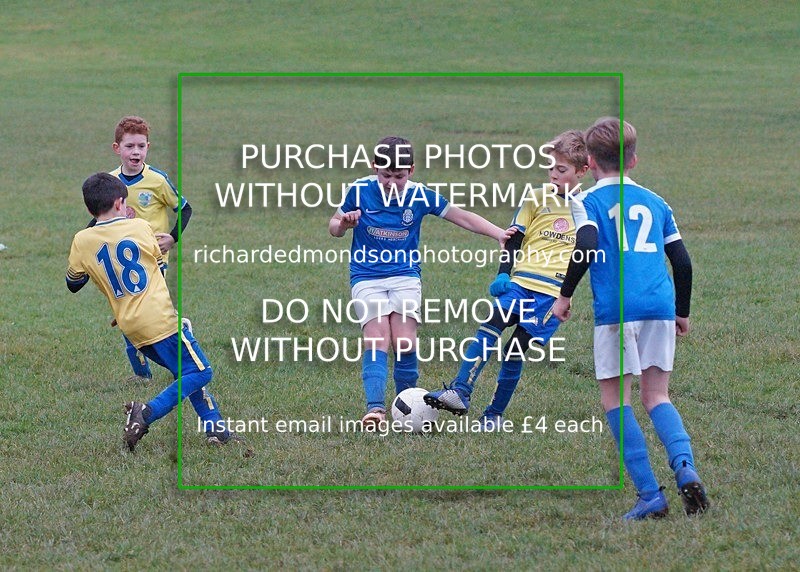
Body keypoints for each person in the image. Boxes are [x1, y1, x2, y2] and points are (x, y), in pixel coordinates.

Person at [552, 117, 709, 520]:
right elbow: (682, 262)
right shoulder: (657, 202)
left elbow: (586, 243)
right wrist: (682, 312)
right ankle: (684, 466)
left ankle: (650, 496)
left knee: (616, 401)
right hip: (660, 307)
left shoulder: (586, 201)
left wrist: (564, 295)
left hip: (616, 312)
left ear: (589, 160)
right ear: (633, 160)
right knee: (657, 396)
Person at [329, 136, 510, 430]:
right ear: (374, 167)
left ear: (411, 170)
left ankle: (406, 403)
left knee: (404, 340)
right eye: (385, 175)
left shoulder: (420, 195)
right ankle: (375, 410)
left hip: (405, 276)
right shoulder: (359, 190)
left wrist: (499, 234)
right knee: (377, 336)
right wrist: (343, 224)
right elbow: (333, 227)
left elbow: (462, 217)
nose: (391, 183)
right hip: (366, 276)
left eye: (399, 176)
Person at [424, 130, 589, 429]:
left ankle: (494, 415)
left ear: (582, 171)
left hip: (551, 294)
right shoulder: (535, 198)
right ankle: (460, 391)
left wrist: (568, 294)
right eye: (550, 167)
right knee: (489, 326)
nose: (553, 174)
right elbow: (514, 238)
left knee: (513, 353)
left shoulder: (590, 208)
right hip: (520, 284)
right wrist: (503, 273)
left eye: (562, 170)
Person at [67, 173, 240, 452]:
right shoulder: (140, 226)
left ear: (89, 210)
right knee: (201, 371)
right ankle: (146, 412)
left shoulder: (81, 240)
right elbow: (156, 268)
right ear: (120, 203)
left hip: (131, 327)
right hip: (160, 320)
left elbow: (74, 283)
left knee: (184, 371)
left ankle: (216, 429)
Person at [101, 116, 193, 382]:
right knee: (127, 317)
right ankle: (142, 374)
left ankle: (182, 343)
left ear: (148, 147)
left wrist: (172, 238)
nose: (136, 152)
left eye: (141, 146)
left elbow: (185, 209)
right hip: (122, 261)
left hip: (153, 260)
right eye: (129, 146)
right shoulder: (110, 182)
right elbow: (98, 218)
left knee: (146, 317)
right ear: (117, 148)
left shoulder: (157, 180)